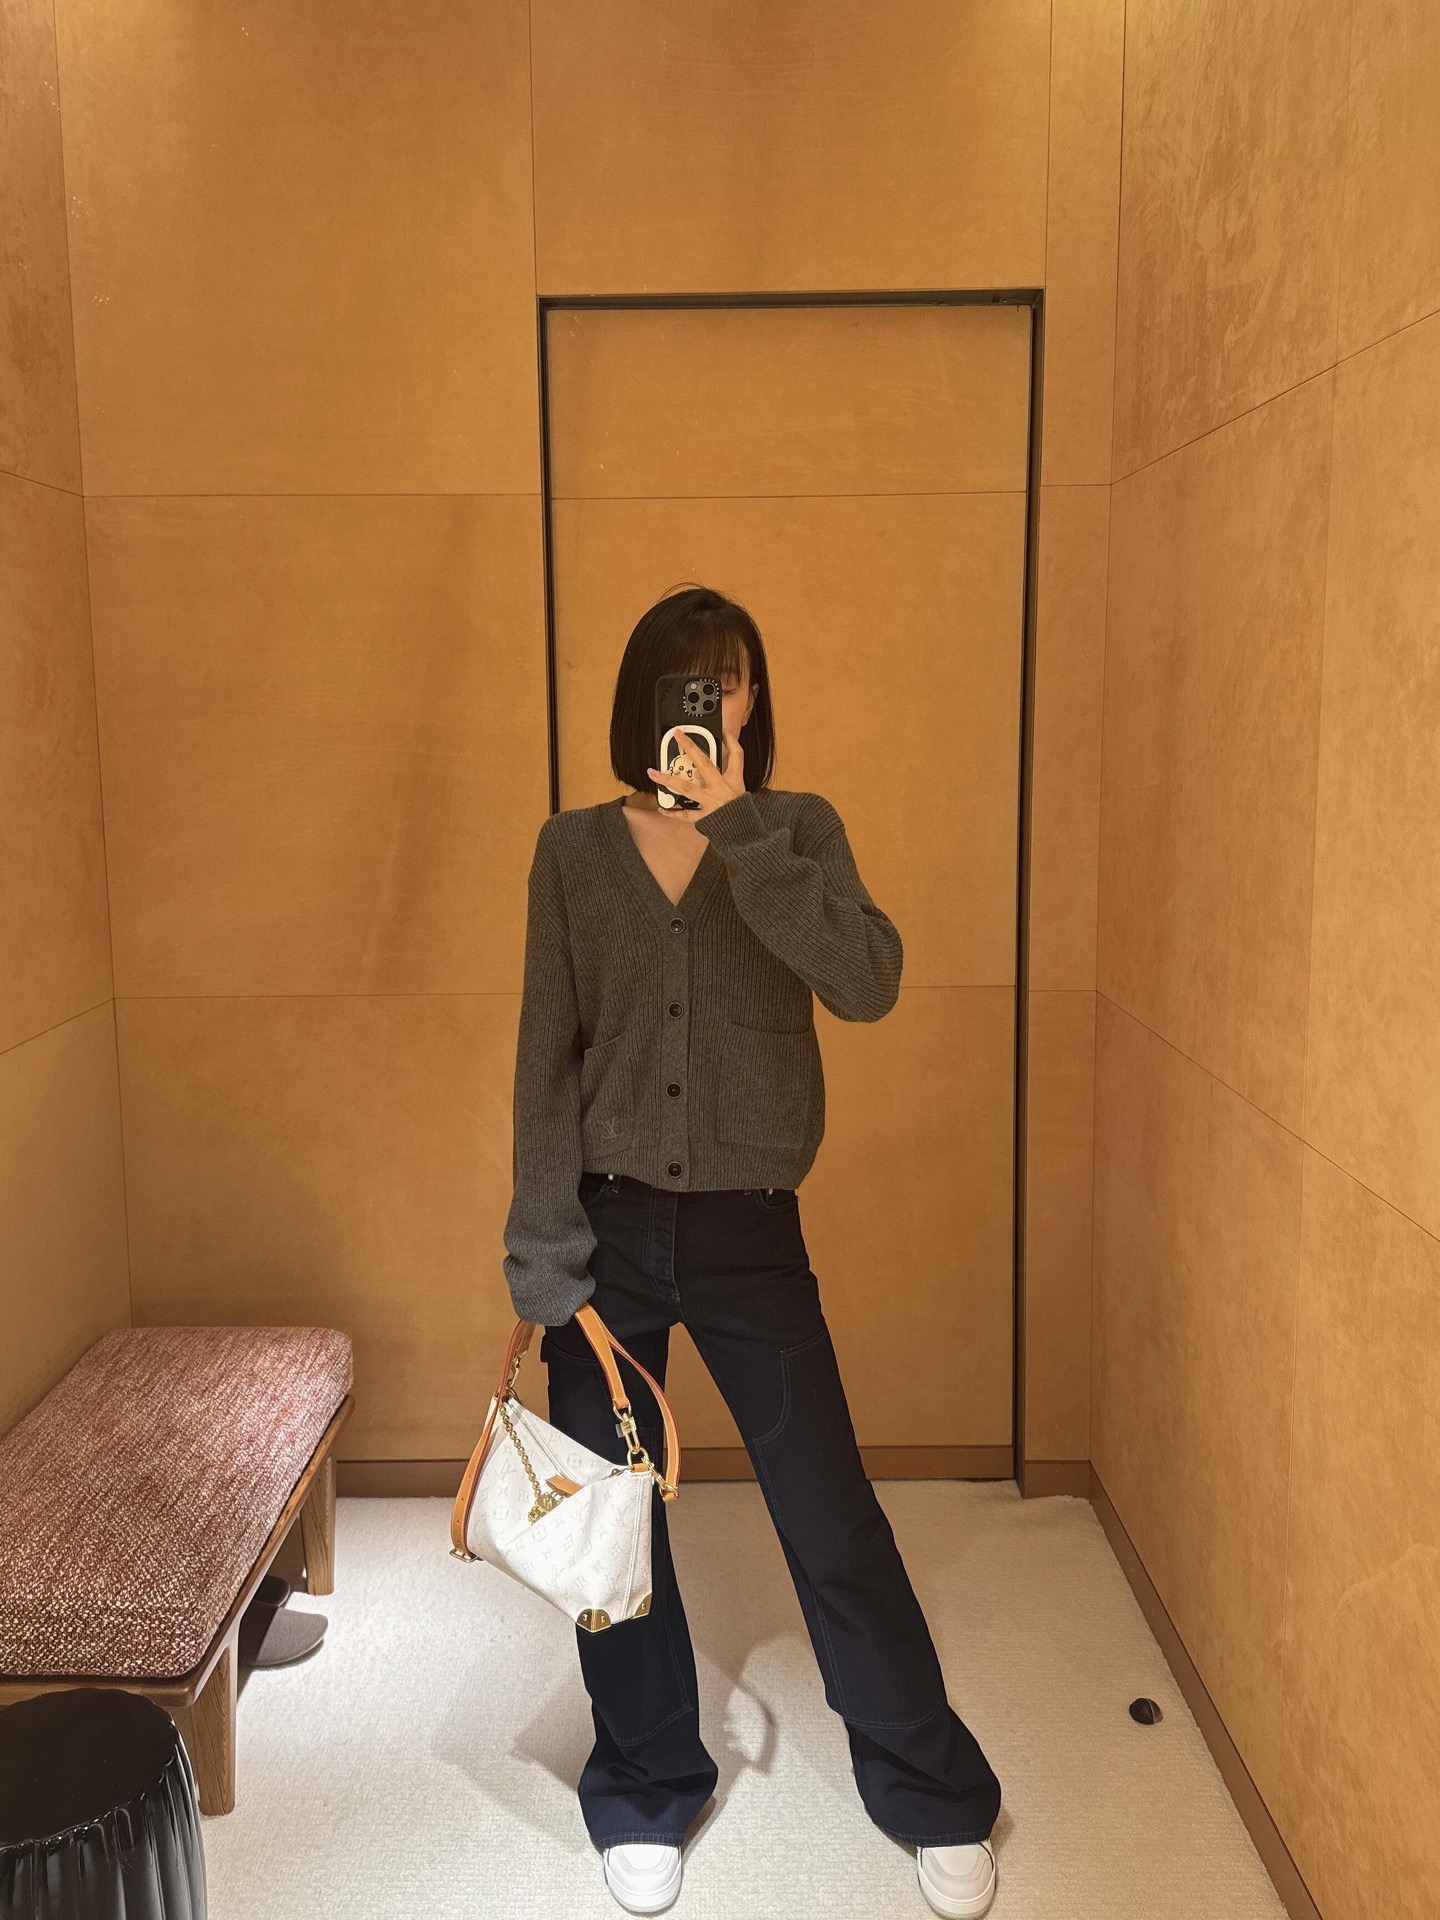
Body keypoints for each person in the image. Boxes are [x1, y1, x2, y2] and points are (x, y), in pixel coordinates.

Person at [501, 584, 1001, 1917]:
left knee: (831, 1516)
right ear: (645, 699)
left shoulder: (795, 829)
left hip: (748, 1233)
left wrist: (736, 828)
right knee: (613, 1537)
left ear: (754, 699)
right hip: (604, 1237)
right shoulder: (570, 851)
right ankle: (643, 1782)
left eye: (730, 679)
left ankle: (931, 1787)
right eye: (689, 680)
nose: (712, 701)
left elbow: (868, 981)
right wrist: (542, 1254)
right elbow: (546, 1055)